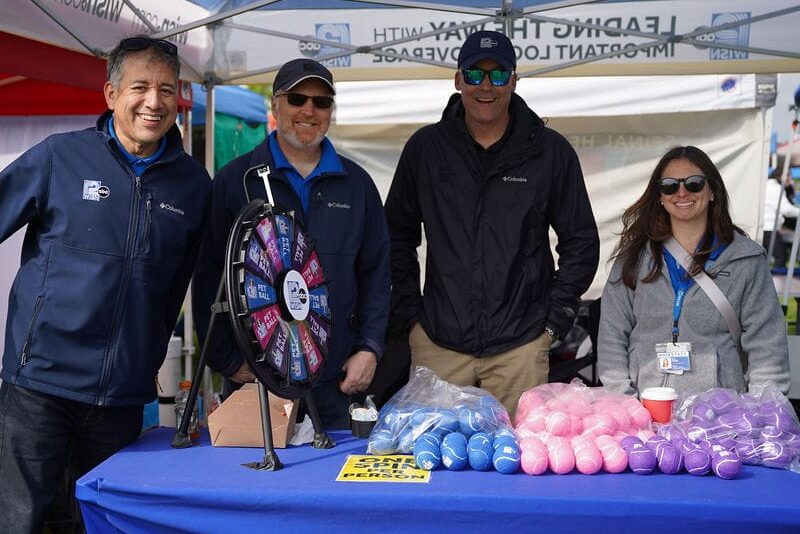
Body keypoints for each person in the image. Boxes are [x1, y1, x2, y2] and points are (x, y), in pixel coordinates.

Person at [0, 36, 211, 532]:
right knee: (20, 523)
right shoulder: (59, 157)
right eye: (140, 87)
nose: (153, 102)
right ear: (111, 94)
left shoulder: (193, 185)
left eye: (165, 89)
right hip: (38, 389)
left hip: (122, 399)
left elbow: (187, 286)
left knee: (102, 524)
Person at [384, 30, 599, 419]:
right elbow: (395, 236)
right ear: (457, 79)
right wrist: (411, 319)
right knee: (436, 463)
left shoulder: (549, 151)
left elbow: (581, 242)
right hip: (439, 343)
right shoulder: (426, 149)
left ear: (514, 81)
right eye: (475, 74)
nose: (486, 86)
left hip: (520, 348)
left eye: (498, 75)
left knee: (520, 465)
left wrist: (551, 325)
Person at [192, 58, 390, 429]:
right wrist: (228, 361)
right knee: (255, 484)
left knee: (336, 484)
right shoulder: (237, 180)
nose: (309, 111)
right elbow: (208, 278)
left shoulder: (358, 185)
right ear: (275, 105)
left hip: (336, 383)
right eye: (297, 99)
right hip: (257, 383)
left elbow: (377, 275)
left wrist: (370, 349)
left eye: (321, 101)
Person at [598, 145, 790, 397]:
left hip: (719, 418)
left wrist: (760, 414)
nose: (681, 192)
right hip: (644, 412)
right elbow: (612, 336)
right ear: (660, 195)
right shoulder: (632, 258)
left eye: (694, 183)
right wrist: (625, 405)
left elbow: (767, 346)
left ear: (712, 191)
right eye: (669, 185)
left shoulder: (746, 259)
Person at [763, 169, 800, 269]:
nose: (790, 179)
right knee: (781, 257)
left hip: (766, 227)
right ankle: (776, 281)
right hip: (769, 228)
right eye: (789, 176)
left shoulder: (769, 185)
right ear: (780, 176)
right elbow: (785, 209)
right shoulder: (776, 187)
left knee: (768, 258)